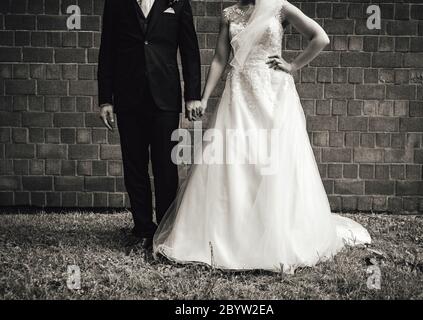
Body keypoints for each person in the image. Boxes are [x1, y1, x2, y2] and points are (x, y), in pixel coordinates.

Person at [153, 0, 371, 274]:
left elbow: (320, 37)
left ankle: (274, 235)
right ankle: (231, 235)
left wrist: (293, 65)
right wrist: (205, 98)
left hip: (273, 94)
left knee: (272, 162)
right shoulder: (229, 13)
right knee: (235, 161)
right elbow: (221, 58)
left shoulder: (279, 7)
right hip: (239, 93)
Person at [97, 0, 203, 253]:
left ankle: (167, 230)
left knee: (166, 166)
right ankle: (143, 229)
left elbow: (190, 50)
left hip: (164, 97)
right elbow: (107, 50)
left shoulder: (177, 3)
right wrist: (105, 99)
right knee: (134, 165)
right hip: (127, 96)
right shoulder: (115, 4)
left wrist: (192, 95)